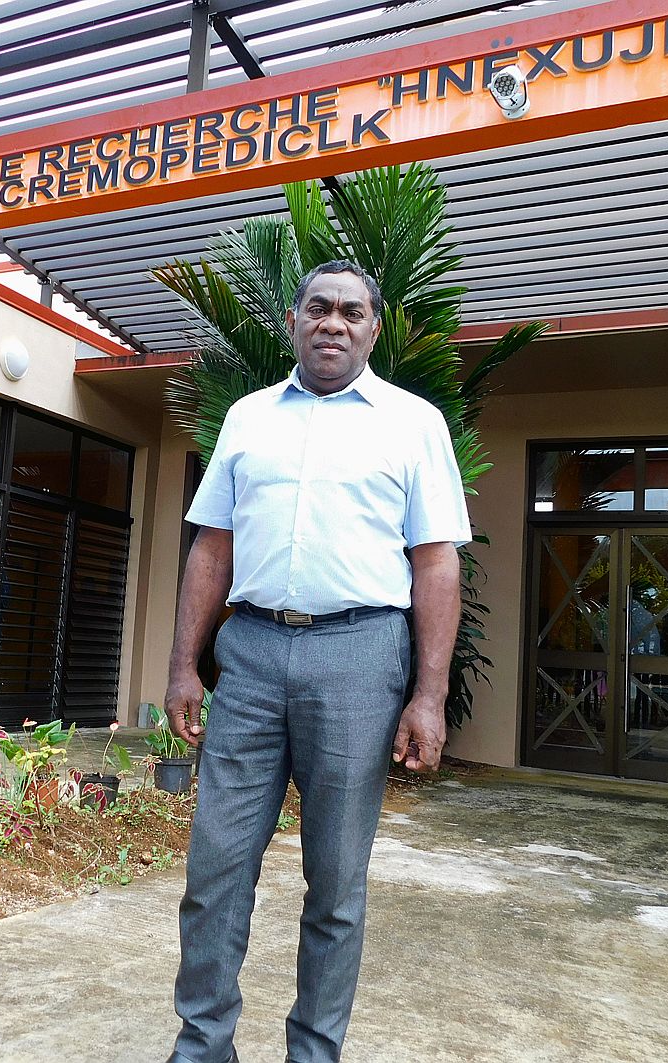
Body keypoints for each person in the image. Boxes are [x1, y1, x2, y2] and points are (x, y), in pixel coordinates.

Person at [165, 260, 469, 1063]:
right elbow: (212, 546)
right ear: (292, 321)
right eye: (318, 308)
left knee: (334, 882)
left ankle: (313, 1051)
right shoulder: (248, 418)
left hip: (360, 655)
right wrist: (183, 664)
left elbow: (436, 562)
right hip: (251, 654)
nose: (333, 322)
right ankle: (202, 1045)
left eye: (351, 312)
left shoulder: (412, 423)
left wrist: (428, 695)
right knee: (215, 868)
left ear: (373, 329)